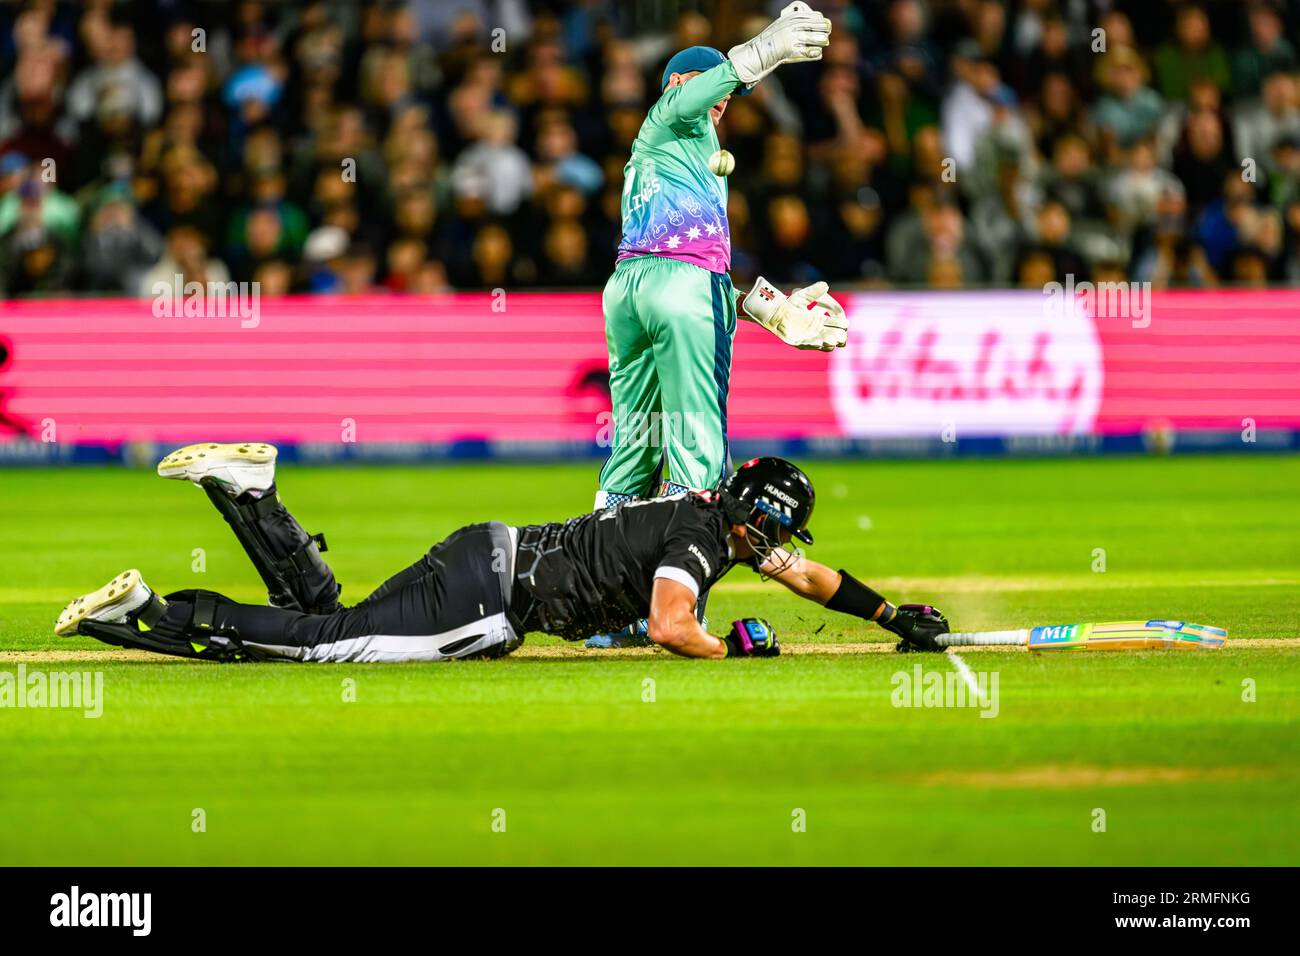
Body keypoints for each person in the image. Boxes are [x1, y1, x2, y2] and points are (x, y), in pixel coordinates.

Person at [55, 443, 950, 662]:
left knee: (332, 616)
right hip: (490, 603)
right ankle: (147, 614)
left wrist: (886, 613)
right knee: (324, 645)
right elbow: (670, 624)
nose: (783, 552)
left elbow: (814, 577)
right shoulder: (700, 537)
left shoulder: (715, 518)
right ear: (753, 517)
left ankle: (250, 493)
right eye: (777, 533)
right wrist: (738, 650)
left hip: (490, 549)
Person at [590, 2, 849, 647]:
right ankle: (681, 606)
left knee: (637, 445)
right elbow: (692, 275)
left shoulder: (672, 151)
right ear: (682, 85)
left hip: (630, 290)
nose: (725, 104)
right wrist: (763, 50)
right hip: (678, 289)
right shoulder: (672, 117)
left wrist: (764, 305)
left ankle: (607, 606)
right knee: (697, 447)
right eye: (719, 92)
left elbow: (687, 262)